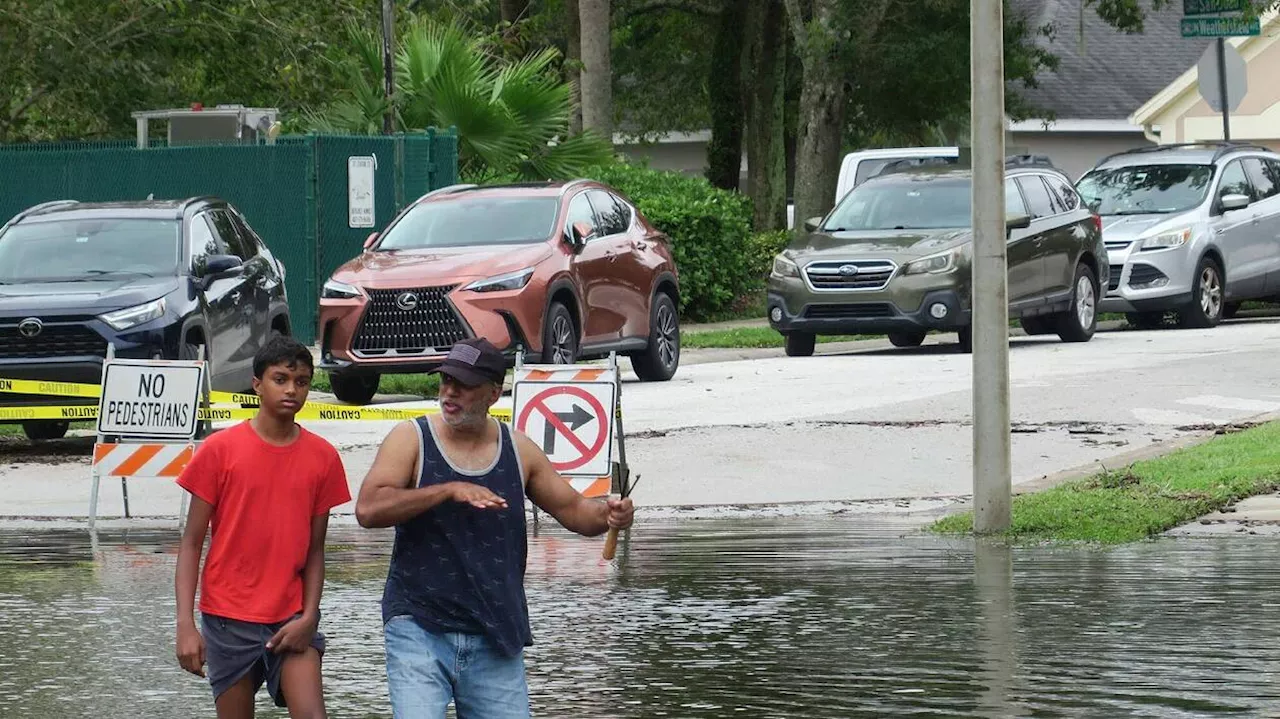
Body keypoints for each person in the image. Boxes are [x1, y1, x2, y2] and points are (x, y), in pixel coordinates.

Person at [355, 337, 635, 718]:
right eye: (445, 380)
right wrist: (447, 490)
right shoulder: (411, 439)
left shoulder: (519, 450)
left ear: (493, 393)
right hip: (418, 624)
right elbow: (369, 509)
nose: (450, 391)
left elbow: (574, 511)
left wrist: (608, 515)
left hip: (496, 630)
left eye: (464, 384)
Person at [175, 335, 352, 719]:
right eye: (280, 378)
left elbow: (315, 550)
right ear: (257, 384)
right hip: (227, 617)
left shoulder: (323, 457)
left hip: (291, 617)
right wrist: (186, 625)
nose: (292, 389)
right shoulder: (219, 450)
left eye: (302, 381)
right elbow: (190, 544)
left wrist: (310, 616)